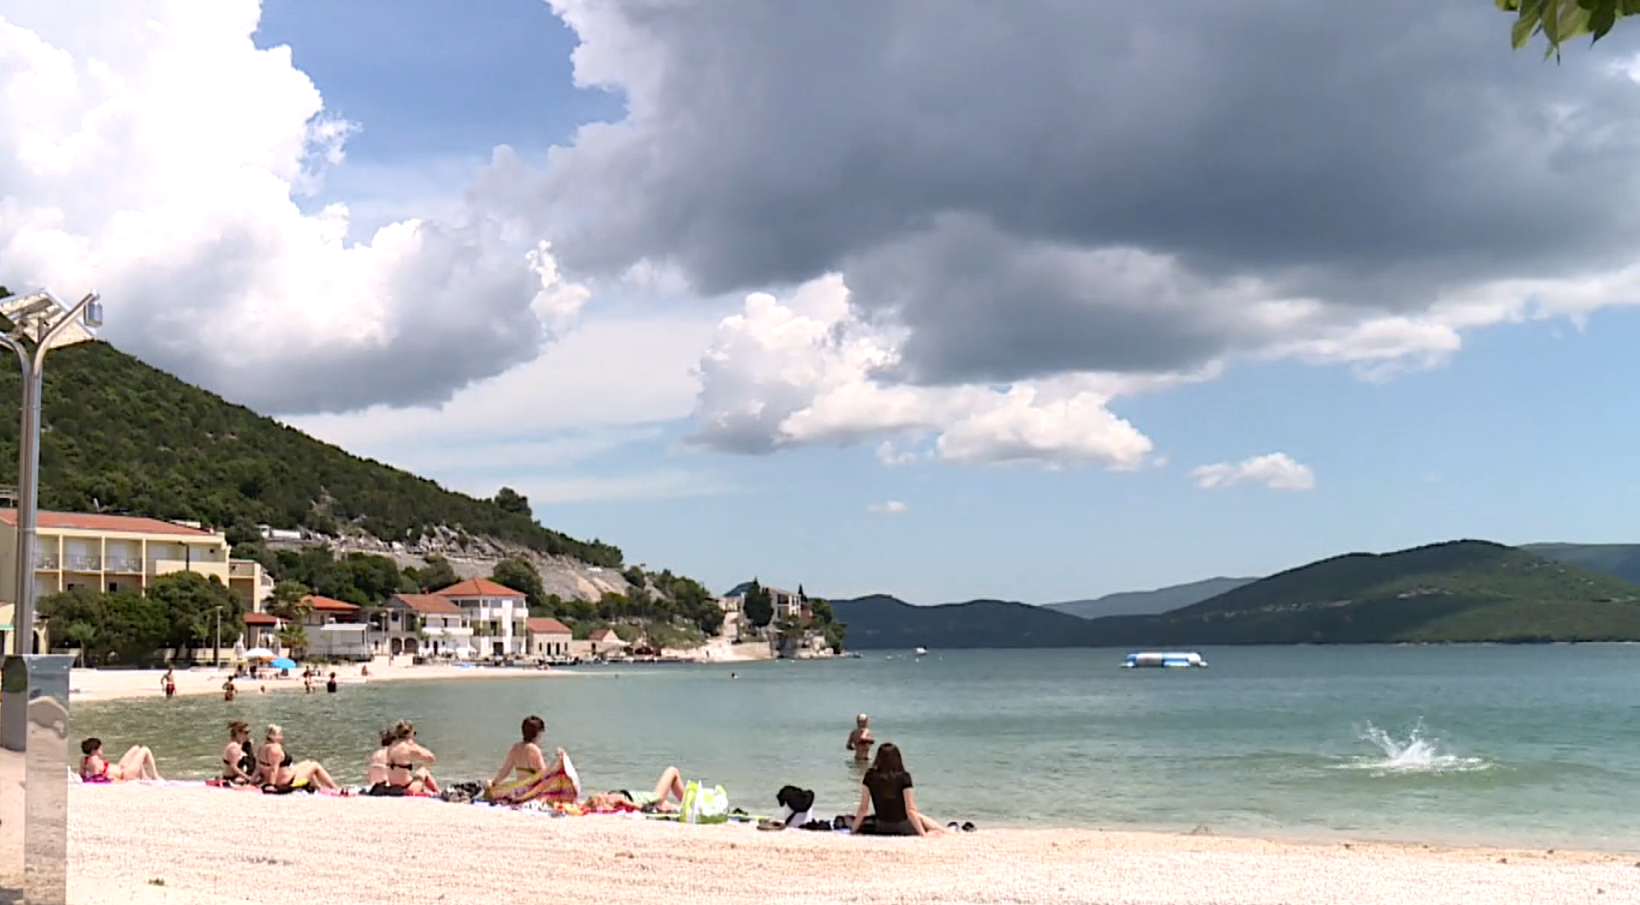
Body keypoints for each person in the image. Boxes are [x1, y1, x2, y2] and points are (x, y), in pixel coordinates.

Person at [850, 743, 942, 837]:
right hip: (902, 826)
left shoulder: (870, 776)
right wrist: (922, 833)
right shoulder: (904, 777)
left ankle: (941, 830)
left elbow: (863, 808)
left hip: (881, 826)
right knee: (919, 816)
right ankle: (944, 830)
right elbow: (910, 809)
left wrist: (853, 830)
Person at [485, 715, 576, 806]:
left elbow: (505, 771)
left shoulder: (515, 748)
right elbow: (544, 776)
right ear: (538, 734)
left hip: (519, 790)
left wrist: (494, 783)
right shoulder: (534, 750)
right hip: (531, 793)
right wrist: (560, 761)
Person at [255, 723, 339, 792]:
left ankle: (318, 788)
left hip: (282, 777)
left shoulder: (262, 748)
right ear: (272, 736)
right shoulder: (275, 749)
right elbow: (274, 769)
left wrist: (252, 782)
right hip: (286, 781)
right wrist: (271, 785)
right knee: (315, 765)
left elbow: (258, 767)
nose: (282, 737)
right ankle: (335, 788)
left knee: (307, 763)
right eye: (279, 735)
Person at [585, 766, 689, 813]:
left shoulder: (609, 800)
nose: (604, 793)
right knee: (672, 770)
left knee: (671, 806)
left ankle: (687, 807)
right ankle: (689, 804)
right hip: (652, 799)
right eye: (602, 794)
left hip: (651, 801)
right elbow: (633, 805)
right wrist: (646, 809)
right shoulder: (613, 798)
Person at [383, 720, 440, 794]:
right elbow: (431, 757)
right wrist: (416, 746)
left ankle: (437, 792)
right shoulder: (409, 747)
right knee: (423, 771)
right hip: (407, 788)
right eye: (414, 733)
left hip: (393, 785)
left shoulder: (391, 745)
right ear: (410, 734)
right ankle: (438, 793)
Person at [79, 737, 161, 783]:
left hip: (121, 769)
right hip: (125, 774)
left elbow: (82, 775)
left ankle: (143, 777)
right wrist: (116, 780)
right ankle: (155, 776)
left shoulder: (83, 760)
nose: (102, 750)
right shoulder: (95, 759)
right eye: (100, 749)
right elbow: (97, 777)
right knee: (145, 750)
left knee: (136, 748)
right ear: (94, 750)